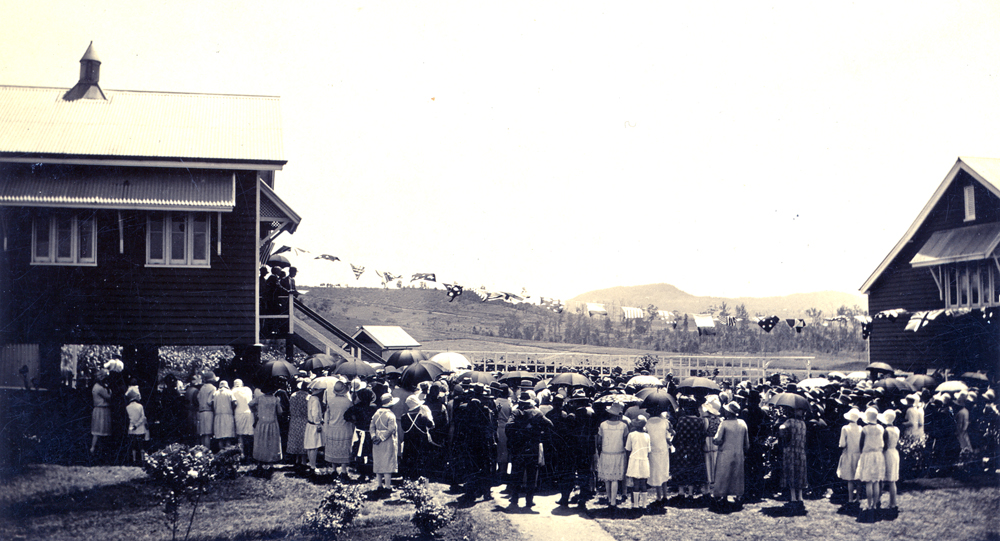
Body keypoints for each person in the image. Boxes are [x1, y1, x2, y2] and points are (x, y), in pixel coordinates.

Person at [505, 390, 553, 508]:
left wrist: (517, 434)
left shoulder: (516, 413)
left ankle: (515, 497)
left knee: (517, 473)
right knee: (532, 475)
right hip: (533, 447)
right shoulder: (537, 413)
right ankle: (529, 500)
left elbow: (508, 426)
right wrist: (539, 433)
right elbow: (550, 425)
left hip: (519, 447)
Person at [711, 401, 749, 512]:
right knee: (737, 475)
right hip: (738, 452)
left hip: (725, 452)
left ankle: (723, 496)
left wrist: (717, 441)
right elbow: (747, 443)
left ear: (728, 412)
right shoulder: (742, 423)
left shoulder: (724, 424)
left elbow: (717, 439)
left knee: (724, 474)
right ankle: (738, 495)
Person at [671, 396, 708, 505]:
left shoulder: (682, 420)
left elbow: (677, 435)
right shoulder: (700, 421)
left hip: (683, 449)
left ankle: (681, 493)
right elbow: (702, 436)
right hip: (695, 449)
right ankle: (691, 494)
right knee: (693, 471)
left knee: (682, 469)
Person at [855, 407, 885, 520]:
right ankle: (875, 504)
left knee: (868, 481)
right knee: (876, 481)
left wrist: (862, 452)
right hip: (878, 455)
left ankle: (869, 505)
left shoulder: (865, 429)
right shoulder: (881, 428)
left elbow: (861, 443)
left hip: (867, 455)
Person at [597, 402, 628, 508]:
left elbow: (599, 440)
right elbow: (625, 440)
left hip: (606, 452)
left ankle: (610, 498)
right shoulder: (623, 426)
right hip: (618, 452)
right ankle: (613, 501)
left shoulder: (603, 425)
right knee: (615, 478)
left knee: (607, 478)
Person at [324, 380, 356, 481]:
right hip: (345, 427)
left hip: (332, 427)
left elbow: (327, 416)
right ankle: (343, 470)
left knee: (333, 448)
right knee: (344, 448)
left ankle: (334, 470)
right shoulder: (348, 402)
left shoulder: (331, 401)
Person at [778, 406, 808, 514]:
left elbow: (781, 428)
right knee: (800, 474)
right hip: (801, 451)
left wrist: (784, 436)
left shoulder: (789, 421)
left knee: (791, 473)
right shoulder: (803, 424)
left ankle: (793, 497)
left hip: (791, 450)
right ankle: (800, 497)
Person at [345, 387, 378, 482]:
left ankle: (362, 473)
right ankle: (370, 473)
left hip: (360, 432)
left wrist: (354, 420)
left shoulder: (356, 407)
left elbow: (346, 416)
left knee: (360, 454)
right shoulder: (374, 407)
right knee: (370, 453)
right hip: (370, 433)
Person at [400, 394, 436, 480]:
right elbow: (432, 425)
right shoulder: (423, 417)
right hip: (421, 441)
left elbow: (404, 428)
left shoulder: (404, 417)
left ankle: (409, 476)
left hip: (409, 441)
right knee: (420, 458)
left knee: (409, 458)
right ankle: (420, 475)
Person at [250, 385, 284, 469]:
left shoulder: (259, 398)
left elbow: (250, 404)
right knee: (272, 443)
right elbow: (280, 412)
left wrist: (255, 411)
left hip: (262, 423)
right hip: (272, 423)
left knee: (261, 442)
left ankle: (260, 463)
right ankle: (271, 463)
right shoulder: (275, 399)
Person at [371, 393, 400, 493]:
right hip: (387, 440)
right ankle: (387, 486)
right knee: (388, 461)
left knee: (379, 461)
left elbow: (372, 426)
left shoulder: (376, 413)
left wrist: (374, 436)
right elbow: (391, 429)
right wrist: (382, 438)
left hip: (377, 440)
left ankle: (379, 485)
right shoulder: (391, 415)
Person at [645, 405, 673, 504]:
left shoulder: (647, 423)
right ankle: (665, 495)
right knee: (664, 470)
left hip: (652, 449)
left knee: (656, 472)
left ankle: (659, 496)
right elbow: (670, 434)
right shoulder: (665, 422)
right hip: (663, 448)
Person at [837, 408, 863, 507]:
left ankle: (850, 499)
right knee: (858, 478)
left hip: (849, 454)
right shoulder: (861, 428)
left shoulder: (845, 428)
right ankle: (858, 498)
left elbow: (842, 443)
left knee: (850, 479)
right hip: (858, 455)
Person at [625, 415, 651, 509]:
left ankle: (635, 504)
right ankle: (644, 504)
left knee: (635, 483)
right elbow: (648, 450)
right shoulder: (647, 436)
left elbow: (628, 448)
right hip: (644, 460)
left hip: (634, 460)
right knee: (643, 483)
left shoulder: (631, 435)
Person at [286, 380, 310, 469]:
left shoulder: (293, 395)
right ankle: (303, 461)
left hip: (294, 420)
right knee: (303, 440)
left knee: (296, 440)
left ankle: (297, 460)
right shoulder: (308, 397)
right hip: (304, 420)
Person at [881, 408, 900, 518]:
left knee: (883, 479)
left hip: (887, 453)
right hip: (894, 453)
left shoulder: (885, 431)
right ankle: (893, 503)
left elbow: (884, 445)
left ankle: (877, 501)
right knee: (892, 480)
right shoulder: (896, 429)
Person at [90, 369, 112, 456]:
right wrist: (109, 389)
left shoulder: (96, 386)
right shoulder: (99, 388)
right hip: (102, 410)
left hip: (100, 409)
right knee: (100, 430)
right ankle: (95, 449)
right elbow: (109, 396)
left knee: (99, 430)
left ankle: (97, 449)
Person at [232, 379, 254, 460]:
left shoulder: (233, 391)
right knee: (250, 434)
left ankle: (242, 455)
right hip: (249, 412)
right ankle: (251, 454)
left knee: (240, 435)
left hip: (239, 413)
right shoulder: (248, 389)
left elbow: (234, 403)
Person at [125, 386, 148, 465]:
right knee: (141, 445)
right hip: (140, 428)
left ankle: (134, 460)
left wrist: (134, 425)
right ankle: (142, 459)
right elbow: (143, 417)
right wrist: (137, 425)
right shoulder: (140, 406)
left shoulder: (127, 407)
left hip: (131, 428)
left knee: (133, 445)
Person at [211, 380, 236, 451]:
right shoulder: (229, 392)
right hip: (228, 415)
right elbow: (235, 402)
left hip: (218, 416)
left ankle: (221, 453)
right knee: (228, 436)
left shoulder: (215, 393)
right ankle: (228, 453)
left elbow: (212, 404)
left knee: (220, 437)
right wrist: (231, 409)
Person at [304, 384, 324, 471]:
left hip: (309, 424)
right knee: (314, 446)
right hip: (314, 425)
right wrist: (318, 423)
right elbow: (315, 413)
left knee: (310, 446)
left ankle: (311, 464)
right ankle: (313, 466)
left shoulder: (311, 398)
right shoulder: (315, 400)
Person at [197, 372, 218, 448]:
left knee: (203, 434)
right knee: (208, 434)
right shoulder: (213, 388)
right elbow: (210, 402)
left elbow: (198, 398)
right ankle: (207, 451)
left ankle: (203, 451)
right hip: (208, 412)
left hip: (201, 412)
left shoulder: (202, 388)